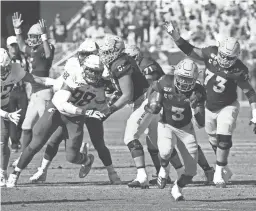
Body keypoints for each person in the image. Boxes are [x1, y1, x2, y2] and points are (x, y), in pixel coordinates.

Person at [164, 21, 256, 188]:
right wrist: (176, 36)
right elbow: (191, 50)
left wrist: (255, 115)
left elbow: (250, 92)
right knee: (214, 140)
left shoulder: (239, 70)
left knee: (224, 136)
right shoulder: (211, 53)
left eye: (229, 58)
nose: (225, 59)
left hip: (228, 105)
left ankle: (218, 173)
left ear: (236, 57)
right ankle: (224, 167)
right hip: (208, 105)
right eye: (223, 55)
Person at [29, 43, 121, 185]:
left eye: (87, 53)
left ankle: (112, 173)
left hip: (92, 110)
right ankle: (42, 170)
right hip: (72, 109)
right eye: (82, 52)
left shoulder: (101, 69)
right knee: (54, 140)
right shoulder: (72, 63)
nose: (83, 56)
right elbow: (62, 83)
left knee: (98, 142)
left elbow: (112, 89)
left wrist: (108, 100)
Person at [125, 45, 214, 186]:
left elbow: (153, 88)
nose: (125, 61)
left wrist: (197, 109)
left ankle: (203, 170)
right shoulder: (126, 69)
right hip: (157, 105)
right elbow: (152, 88)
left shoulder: (148, 66)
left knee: (183, 143)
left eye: (127, 58)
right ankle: (163, 172)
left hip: (162, 105)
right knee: (157, 144)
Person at [93, 35, 150, 188]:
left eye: (107, 51)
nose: (104, 54)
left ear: (116, 50)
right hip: (146, 100)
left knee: (131, 136)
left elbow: (127, 95)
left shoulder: (120, 63)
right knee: (160, 141)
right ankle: (172, 173)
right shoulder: (118, 62)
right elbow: (120, 92)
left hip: (147, 101)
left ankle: (142, 175)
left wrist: (109, 110)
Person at [146, 59, 205, 200]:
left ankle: (177, 187)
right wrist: (152, 102)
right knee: (165, 151)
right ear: (176, 75)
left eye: (188, 79)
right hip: (167, 124)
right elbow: (153, 88)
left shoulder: (198, 91)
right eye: (182, 78)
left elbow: (201, 123)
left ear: (195, 79)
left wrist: (196, 107)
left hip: (186, 129)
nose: (184, 82)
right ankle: (164, 168)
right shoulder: (166, 81)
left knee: (191, 171)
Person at [0, 48, 55, 187]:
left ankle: (2, 173)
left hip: (4, 107)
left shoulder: (15, 69)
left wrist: (54, 82)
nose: (4, 70)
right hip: (4, 111)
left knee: (3, 141)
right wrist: (7, 115)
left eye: (6, 67)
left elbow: (33, 78)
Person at [11, 12, 55, 168]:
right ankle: (23, 157)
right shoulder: (34, 50)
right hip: (35, 94)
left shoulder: (45, 47)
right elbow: (22, 46)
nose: (31, 38)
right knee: (26, 127)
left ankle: (77, 145)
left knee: (49, 130)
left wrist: (43, 36)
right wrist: (18, 30)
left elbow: (48, 54)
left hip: (44, 93)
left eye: (33, 36)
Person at [6, 36, 29, 152]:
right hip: (9, 91)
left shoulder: (23, 57)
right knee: (12, 116)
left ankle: (16, 137)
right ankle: (14, 142)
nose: (14, 48)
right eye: (12, 45)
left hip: (21, 90)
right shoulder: (4, 57)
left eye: (16, 45)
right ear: (8, 47)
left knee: (23, 115)